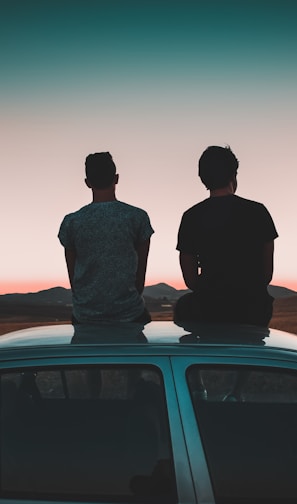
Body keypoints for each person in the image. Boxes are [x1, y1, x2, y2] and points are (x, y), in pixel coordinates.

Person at [174, 145, 278, 327]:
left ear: (203, 179)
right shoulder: (258, 211)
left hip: (208, 307)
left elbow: (190, 279)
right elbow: (266, 274)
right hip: (253, 308)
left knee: (183, 306)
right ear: (233, 175)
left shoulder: (191, 216)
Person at [58, 152, 154, 324]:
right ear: (116, 179)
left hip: (85, 315)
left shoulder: (71, 222)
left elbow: (73, 276)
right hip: (130, 313)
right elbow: (141, 272)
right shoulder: (137, 217)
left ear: (87, 183)